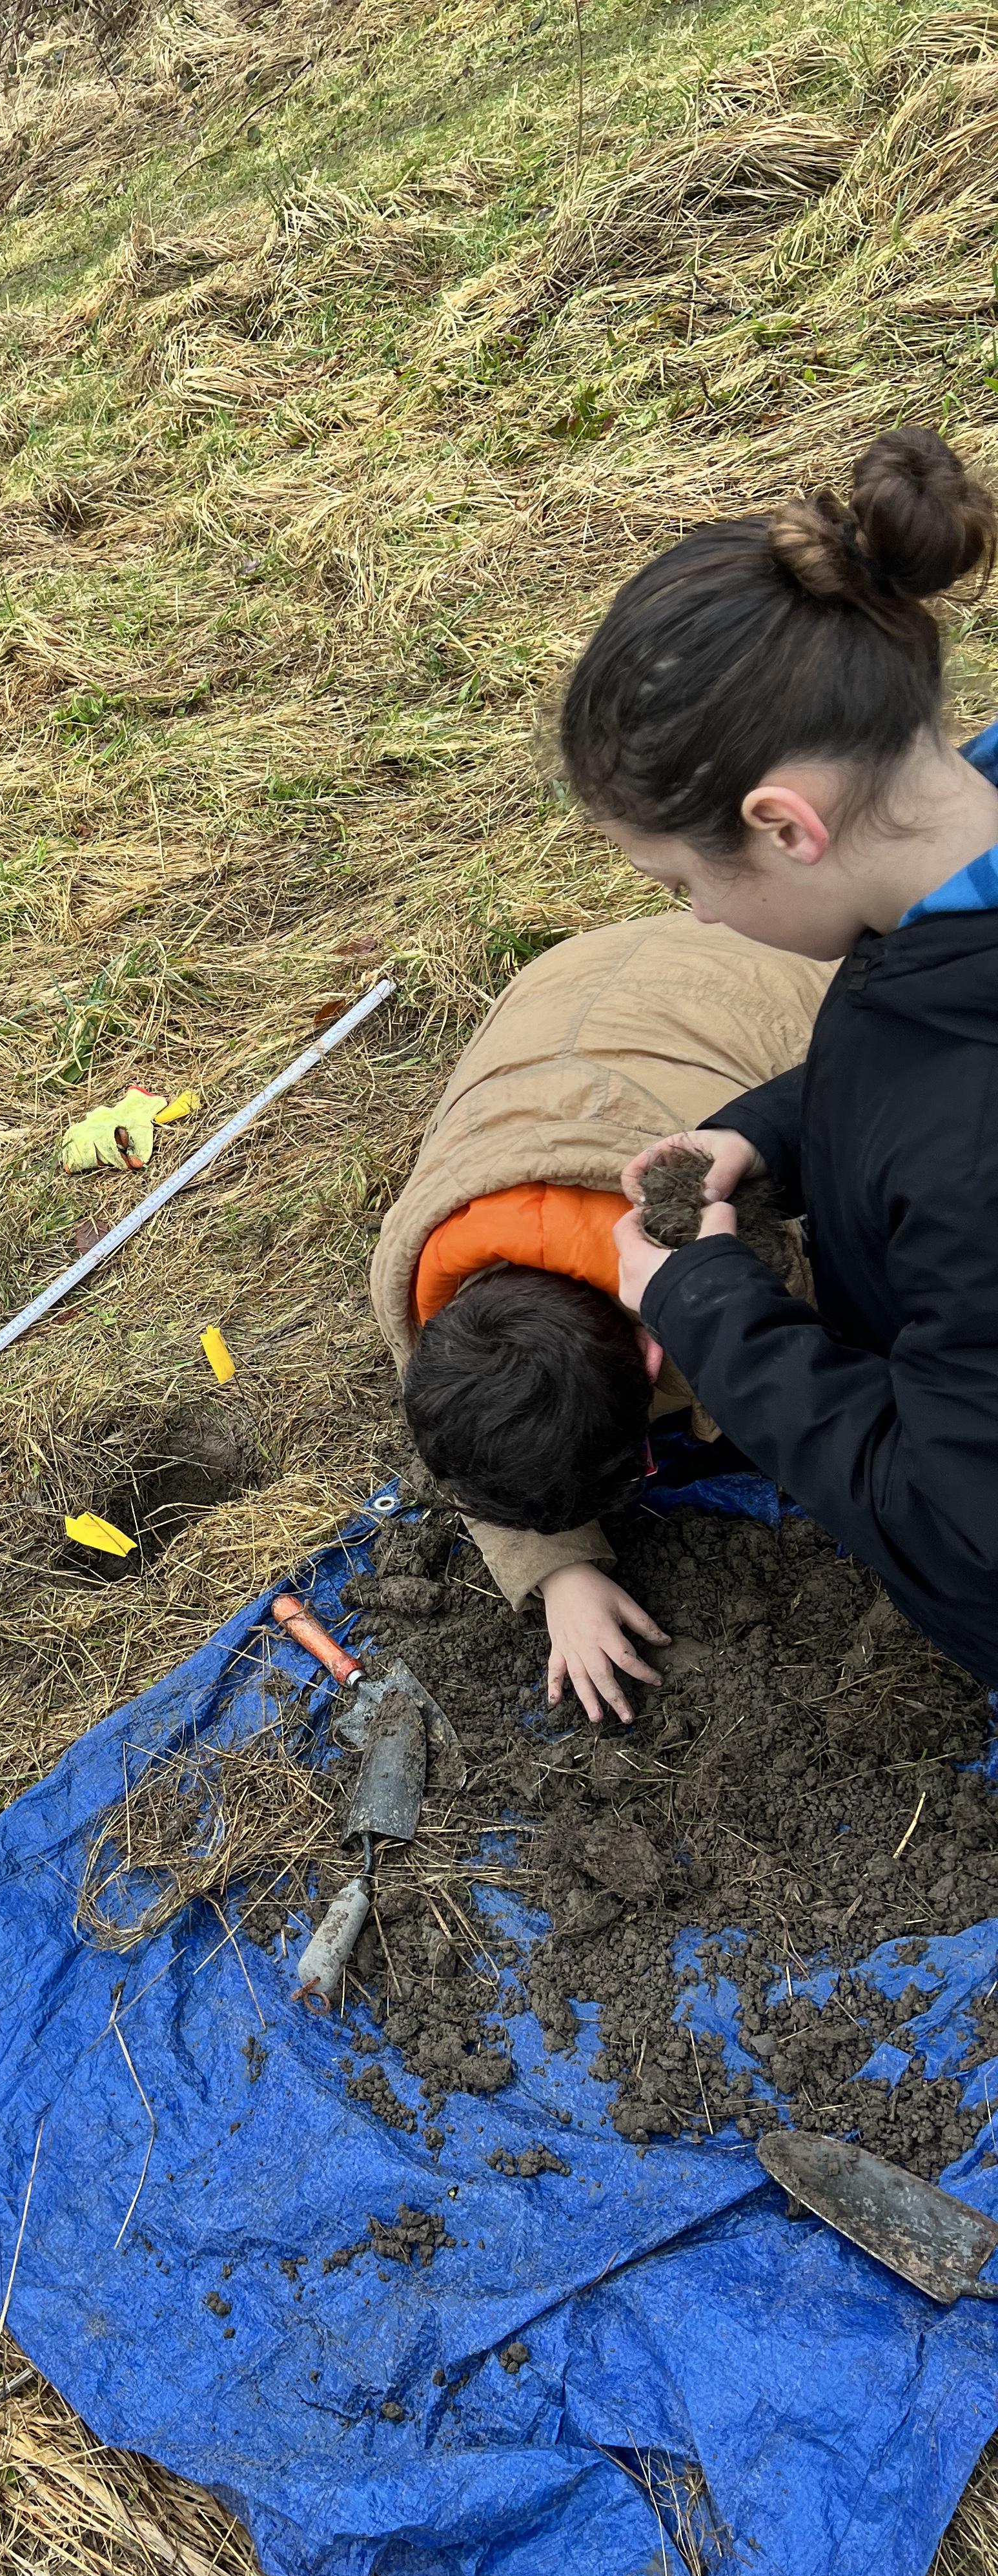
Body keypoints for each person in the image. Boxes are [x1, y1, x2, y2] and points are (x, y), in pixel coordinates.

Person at [560, 424, 998, 1687]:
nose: (696, 919)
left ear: (784, 825)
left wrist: (707, 1308)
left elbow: (956, 1524)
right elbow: (917, 1061)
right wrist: (768, 1132)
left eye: (683, 883)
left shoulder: (973, 1155)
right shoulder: (940, 905)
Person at [371, 914, 828, 1721]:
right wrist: (560, 1573)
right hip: (562, 985)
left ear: (653, 1359)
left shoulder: (747, 1250)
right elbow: (467, 1440)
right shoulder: (414, 1273)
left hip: (769, 961)